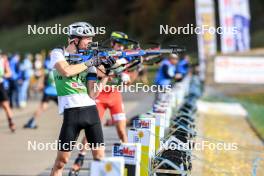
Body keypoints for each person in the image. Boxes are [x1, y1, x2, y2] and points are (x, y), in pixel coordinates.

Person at [49, 22, 115, 176]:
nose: (91, 42)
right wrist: (90, 62)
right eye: (87, 39)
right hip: (71, 113)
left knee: (100, 158)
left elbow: (93, 94)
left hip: (91, 112)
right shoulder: (57, 52)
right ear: (75, 40)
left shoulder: (88, 58)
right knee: (61, 162)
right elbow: (66, 71)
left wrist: (106, 75)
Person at [69, 31, 131, 175]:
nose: (121, 47)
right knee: (91, 130)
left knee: (122, 131)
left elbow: (127, 81)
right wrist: (112, 71)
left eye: (124, 45)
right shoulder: (103, 54)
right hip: (100, 96)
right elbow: (98, 73)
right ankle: (80, 158)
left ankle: (129, 161)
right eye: (119, 44)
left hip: (115, 96)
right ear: (113, 43)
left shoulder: (124, 58)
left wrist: (126, 79)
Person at [24, 56, 57, 129]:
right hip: (52, 92)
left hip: (50, 92)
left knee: (42, 108)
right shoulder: (51, 70)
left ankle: (31, 121)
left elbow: (39, 77)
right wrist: (38, 86)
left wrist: (38, 85)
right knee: (43, 108)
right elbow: (39, 77)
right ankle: (31, 122)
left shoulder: (48, 69)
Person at [0, 52, 16, 132]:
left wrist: (4, 75)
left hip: (0, 85)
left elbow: (9, 73)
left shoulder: (3, 61)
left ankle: (11, 123)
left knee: (6, 105)